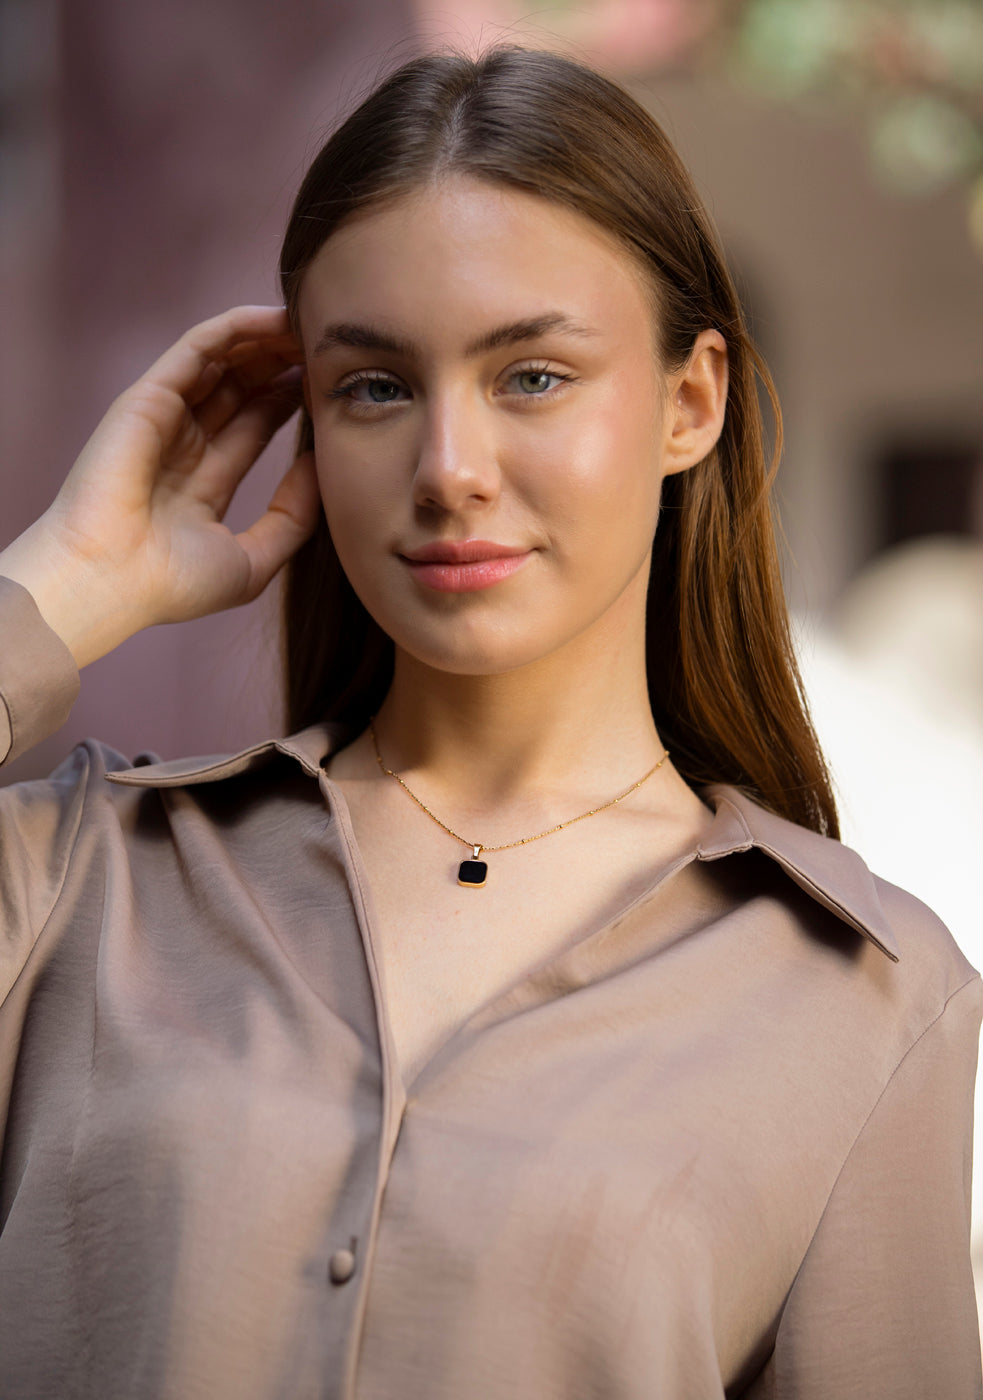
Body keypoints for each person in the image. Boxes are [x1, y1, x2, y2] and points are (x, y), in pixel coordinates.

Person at [0, 44, 979, 1400]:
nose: (450, 471)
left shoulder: (868, 1001)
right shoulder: (71, 885)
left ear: (691, 402)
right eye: (376, 386)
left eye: (532, 376)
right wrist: (61, 583)